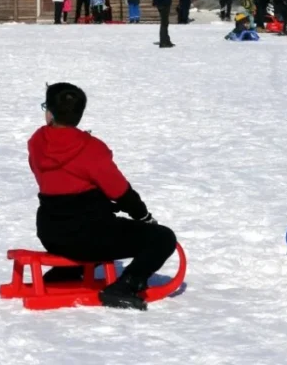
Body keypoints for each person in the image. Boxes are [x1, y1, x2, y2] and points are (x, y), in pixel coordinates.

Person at [29, 83, 178, 310]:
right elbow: (120, 192)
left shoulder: (37, 142)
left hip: (49, 232)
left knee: (94, 234)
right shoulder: (90, 149)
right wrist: (143, 216)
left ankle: (65, 273)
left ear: (50, 112)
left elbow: (57, 183)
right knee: (163, 238)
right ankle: (126, 286)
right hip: (88, 236)